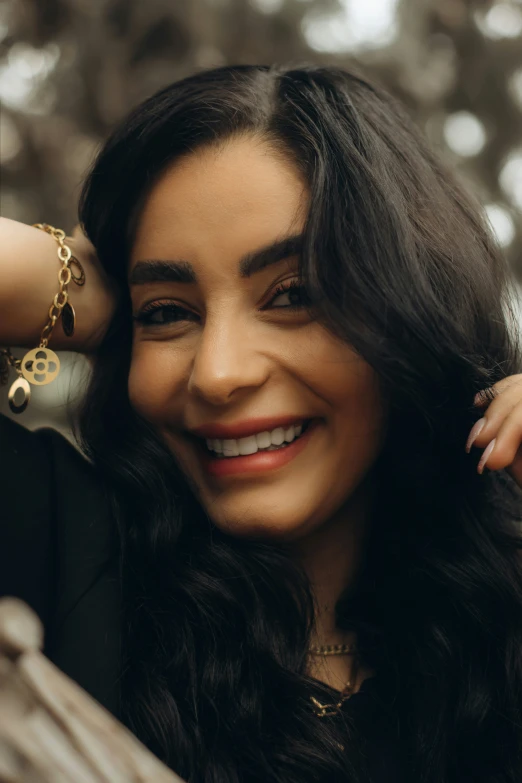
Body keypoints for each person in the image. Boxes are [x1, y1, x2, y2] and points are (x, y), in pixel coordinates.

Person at [1, 62, 522, 783]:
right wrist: (73, 287)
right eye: (168, 312)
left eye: (293, 294)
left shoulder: (501, 622)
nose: (218, 373)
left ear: (407, 310)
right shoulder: (61, 549)